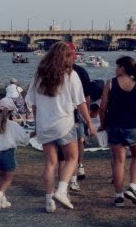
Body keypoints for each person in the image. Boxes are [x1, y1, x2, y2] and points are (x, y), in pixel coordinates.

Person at [25, 42, 96, 213]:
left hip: (45, 125)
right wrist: (89, 122)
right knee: (73, 157)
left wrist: (37, 122)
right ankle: (62, 190)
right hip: (64, 123)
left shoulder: (39, 76)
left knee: (50, 163)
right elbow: (80, 103)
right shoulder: (71, 75)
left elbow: (33, 103)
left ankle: (49, 201)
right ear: (66, 58)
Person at [99, 56, 136, 208]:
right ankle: (133, 187)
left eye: (117, 66)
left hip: (114, 126)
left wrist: (103, 124)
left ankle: (119, 196)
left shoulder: (111, 83)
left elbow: (102, 107)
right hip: (133, 125)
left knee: (118, 161)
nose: (115, 69)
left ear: (122, 68)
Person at [0, 98, 33, 210]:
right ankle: (0, 194)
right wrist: (34, 133)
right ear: (11, 112)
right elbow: (24, 139)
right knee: (8, 179)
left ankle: (2, 200)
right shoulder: (13, 125)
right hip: (8, 155)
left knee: (2, 178)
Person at [66, 42, 93, 189]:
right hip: (63, 114)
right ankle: (70, 177)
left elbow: (86, 97)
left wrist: (86, 115)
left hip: (77, 114)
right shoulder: (55, 72)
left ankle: (78, 166)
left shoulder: (81, 72)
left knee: (79, 141)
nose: (72, 58)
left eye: (73, 55)